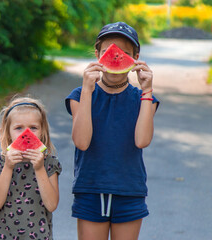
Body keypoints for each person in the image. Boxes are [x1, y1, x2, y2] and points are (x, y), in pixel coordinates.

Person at [65, 22, 160, 240]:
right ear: (97, 54)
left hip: (129, 191)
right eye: (108, 52)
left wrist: (147, 89)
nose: (116, 57)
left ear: (136, 57)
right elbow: (81, 141)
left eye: (125, 53)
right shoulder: (79, 95)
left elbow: (142, 140)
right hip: (90, 188)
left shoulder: (144, 99)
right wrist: (88, 90)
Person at [0, 96, 62, 240]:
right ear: (8, 132)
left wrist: (40, 168)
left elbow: (52, 205)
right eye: (18, 128)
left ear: (42, 131)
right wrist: (8, 167)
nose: (25, 134)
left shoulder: (49, 163)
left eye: (33, 128)